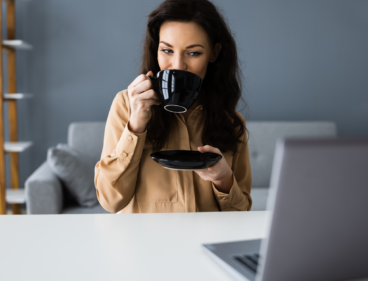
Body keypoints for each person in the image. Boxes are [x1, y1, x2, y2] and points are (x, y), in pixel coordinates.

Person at [94, 0, 252, 213]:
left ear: (214, 54)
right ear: (156, 50)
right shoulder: (126, 105)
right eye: (167, 51)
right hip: (145, 243)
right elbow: (110, 201)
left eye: (193, 53)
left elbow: (241, 215)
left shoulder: (230, 121)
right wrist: (136, 124)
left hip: (204, 243)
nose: (178, 65)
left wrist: (223, 179)